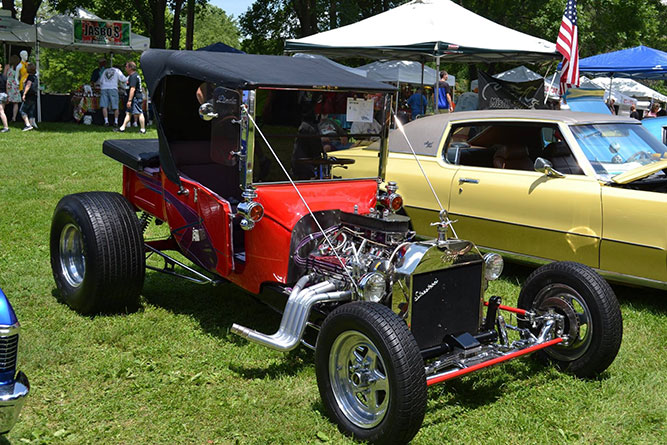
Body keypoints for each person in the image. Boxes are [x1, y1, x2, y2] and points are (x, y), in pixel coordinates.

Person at [117, 61, 146, 133]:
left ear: (130, 68)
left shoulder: (133, 77)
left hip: (135, 98)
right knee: (128, 113)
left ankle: (143, 129)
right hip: (134, 98)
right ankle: (122, 128)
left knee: (139, 113)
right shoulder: (134, 76)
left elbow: (132, 89)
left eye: (126, 67)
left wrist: (129, 100)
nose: (125, 68)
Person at [19, 63, 38, 131]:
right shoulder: (35, 77)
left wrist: (24, 94)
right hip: (34, 96)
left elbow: (28, 85)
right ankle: (32, 124)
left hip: (29, 96)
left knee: (22, 110)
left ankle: (28, 125)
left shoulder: (30, 77)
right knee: (31, 111)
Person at [5, 55, 21, 122]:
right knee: (15, 103)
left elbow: (4, 75)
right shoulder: (18, 68)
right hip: (15, 85)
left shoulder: (8, 66)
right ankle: (14, 117)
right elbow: (20, 77)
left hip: (8, 84)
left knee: (4, 101)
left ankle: (3, 115)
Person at [0, 61, 9, 132]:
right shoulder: (4, 77)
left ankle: (6, 127)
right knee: (2, 111)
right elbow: (7, 87)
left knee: (1, 112)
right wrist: (8, 96)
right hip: (4, 95)